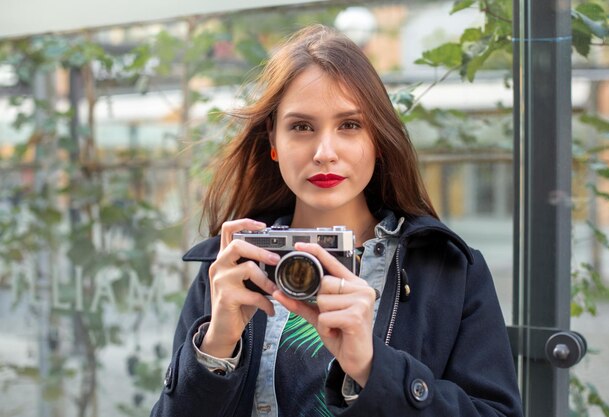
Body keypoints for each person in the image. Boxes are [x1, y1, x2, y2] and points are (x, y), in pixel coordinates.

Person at [151, 24, 523, 417]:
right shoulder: (232, 265)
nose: (325, 152)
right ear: (274, 143)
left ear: (377, 138)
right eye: (301, 127)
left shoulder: (449, 270)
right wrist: (215, 347)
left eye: (349, 125)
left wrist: (373, 367)